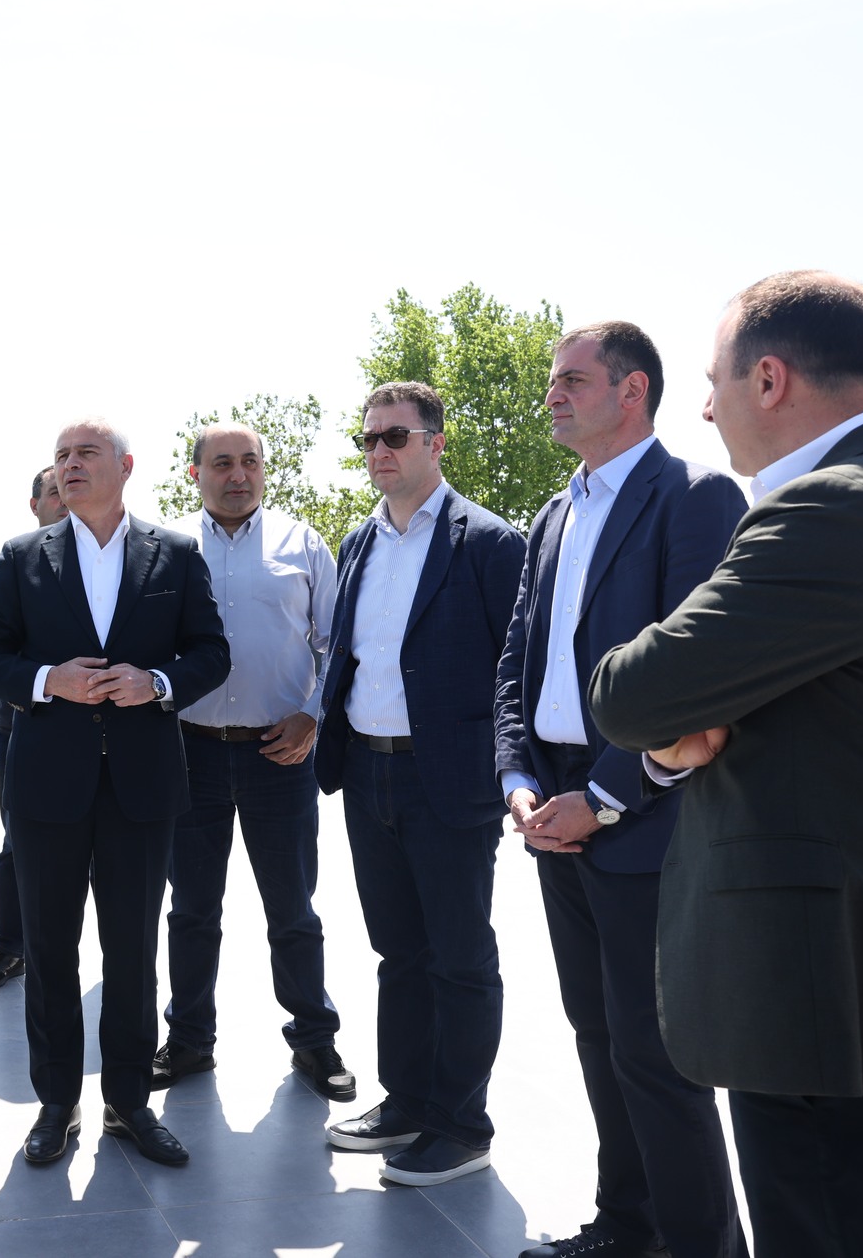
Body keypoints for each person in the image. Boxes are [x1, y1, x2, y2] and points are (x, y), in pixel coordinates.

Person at [589, 272, 863, 1258]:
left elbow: (630, 694)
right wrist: (682, 730)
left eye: (713, 381)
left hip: (839, 1004)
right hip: (857, 991)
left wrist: (672, 722)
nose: (705, 408)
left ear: (770, 379)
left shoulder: (836, 507)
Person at [494, 323, 748, 1258]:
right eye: (553, 381)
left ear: (633, 389)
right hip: (551, 810)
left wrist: (600, 799)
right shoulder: (552, 514)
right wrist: (520, 778)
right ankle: (629, 1226)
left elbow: (694, 674)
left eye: (573, 379)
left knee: (659, 1053)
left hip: (647, 812)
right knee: (598, 1034)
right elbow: (516, 662)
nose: (552, 395)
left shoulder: (695, 497)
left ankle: (702, 1245)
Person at [0, 418, 230, 1167]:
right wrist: (48, 681)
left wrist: (158, 683)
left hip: (142, 788)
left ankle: (129, 1102)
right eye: (61, 456)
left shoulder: (176, 553)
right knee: (50, 950)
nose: (70, 465)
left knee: (133, 951)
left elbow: (211, 652)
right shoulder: (20, 558)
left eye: (86, 453)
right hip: (46, 787)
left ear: (126, 465)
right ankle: (57, 1103)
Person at [316, 382, 526, 1188]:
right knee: (398, 952)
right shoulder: (358, 541)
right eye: (368, 438)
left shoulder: (491, 543)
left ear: (436, 442)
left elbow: (517, 666)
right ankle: (406, 1102)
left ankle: (461, 1124)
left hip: (449, 779)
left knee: (460, 957)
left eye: (395, 436)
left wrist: (518, 771)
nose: (379, 450)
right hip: (367, 772)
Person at [153, 424, 352, 1101]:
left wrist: (313, 716)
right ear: (195, 473)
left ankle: (314, 1039)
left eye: (249, 462)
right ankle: (188, 1039)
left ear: (264, 469)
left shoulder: (303, 544)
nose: (237, 475)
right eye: (222, 463)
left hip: (281, 753)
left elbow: (337, 644)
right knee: (191, 910)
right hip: (190, 754)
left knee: (293, 909)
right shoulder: (168, 548)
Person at [0, 465, 66, 994]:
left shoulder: (122, 560)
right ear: (35, 506)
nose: (65, 499)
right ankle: (11, 946)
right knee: (19, 841)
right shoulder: (8, 565)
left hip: (106, 732)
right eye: (54, 492)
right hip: (24, 727)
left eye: (71, 488)